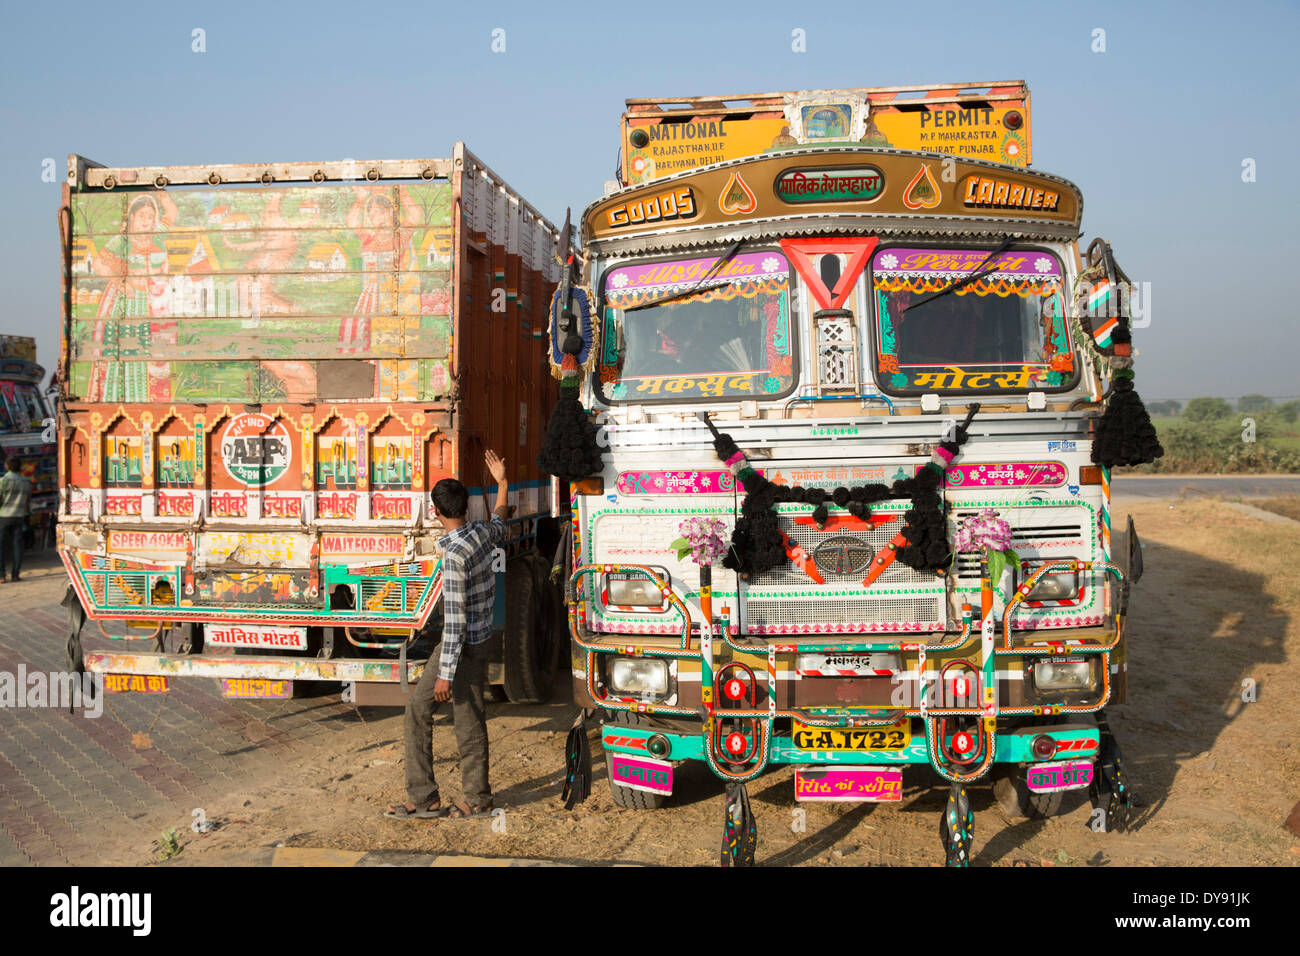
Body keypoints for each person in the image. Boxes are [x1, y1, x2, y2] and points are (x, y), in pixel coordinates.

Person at [385, 448, 508, 820]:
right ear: (466, 508)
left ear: (434, 511)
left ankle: (432, 798)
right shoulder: (481, 534)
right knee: (466, 716)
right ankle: (461, 797)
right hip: (481, 639)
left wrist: (444, 673)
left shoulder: (454, 555)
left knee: (428, 711)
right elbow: (502, 521)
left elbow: (454, 621)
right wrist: (501, 482)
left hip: (462, 647)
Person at [0, 456, 32, 582]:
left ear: (7, 466)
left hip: (3, 516)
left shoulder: (3, 480)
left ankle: (2, 576)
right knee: (17, 545)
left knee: (1, 545)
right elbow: (27, 500)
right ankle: (15, 574)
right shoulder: (25, 481)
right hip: (19, 516)